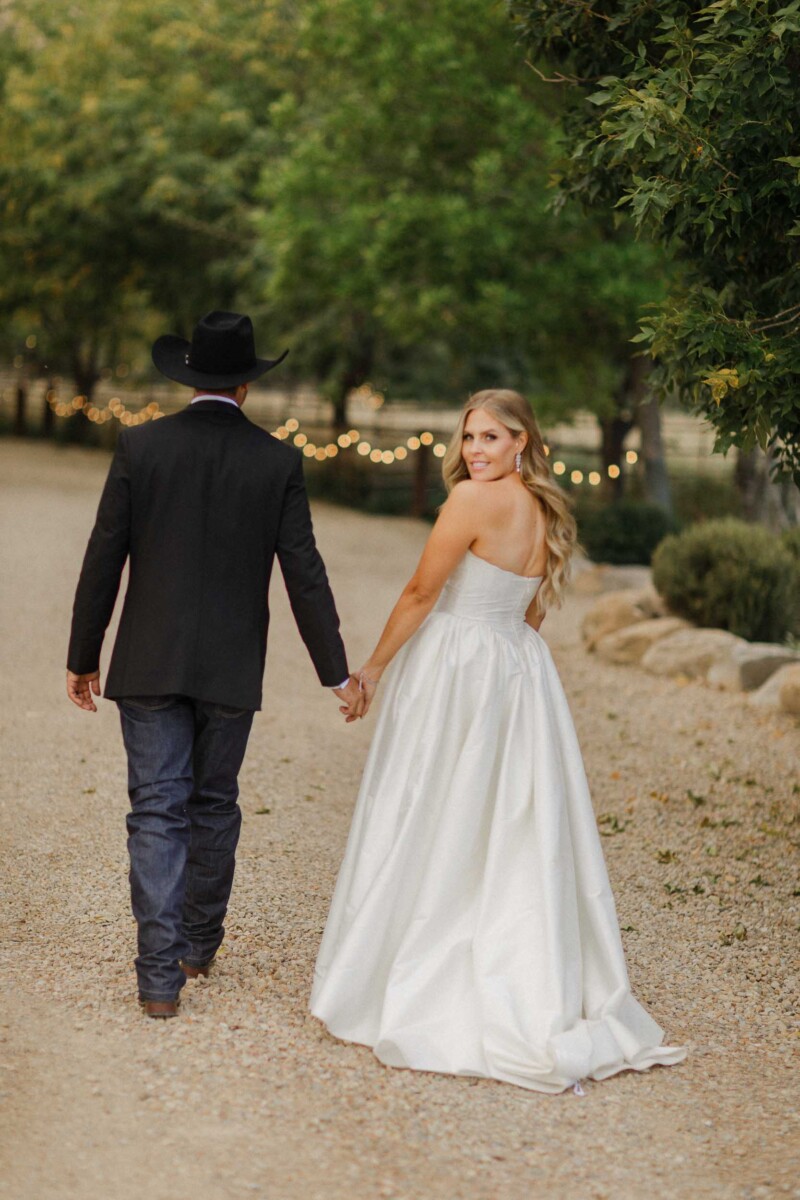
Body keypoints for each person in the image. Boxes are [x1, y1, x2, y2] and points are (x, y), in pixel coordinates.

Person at [311, 388, 687, 1094]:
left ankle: (412, 967)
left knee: (430, 804)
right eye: (469, 438)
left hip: (458, 665)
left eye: (490, 437)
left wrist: (372, 671)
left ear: (522, 442)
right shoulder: (546, 510)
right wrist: (509, 666)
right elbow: (535, 608)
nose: (475, 451)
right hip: (518, 670)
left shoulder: (469, 504)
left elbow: (423, 593)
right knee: (505, 818)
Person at [66, 310, 363, 1018]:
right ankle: (198, 944)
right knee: (213, 801)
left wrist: (83, 656)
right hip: (232, 667)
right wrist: (336, 672)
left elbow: (103, 555)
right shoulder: (277, 461)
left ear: (191, 374)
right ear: (246, 386)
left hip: (147, 660)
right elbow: (305, 574)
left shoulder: (141, 447)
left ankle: (157, 976)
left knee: (157, 808)